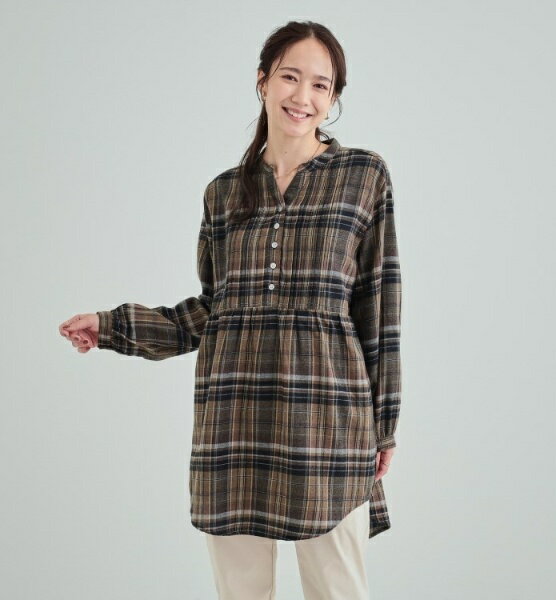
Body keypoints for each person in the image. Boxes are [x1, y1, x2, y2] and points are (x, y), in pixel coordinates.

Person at [59, 20, 401, 600]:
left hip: (329, 424)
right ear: (263, 81)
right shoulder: (222, 193)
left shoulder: (363, 176)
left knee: (338, 590)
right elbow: (213, 310)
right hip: (235, 423)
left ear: (333, 98)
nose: (303, 95)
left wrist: (385, 423)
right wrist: (111, 326)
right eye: (290, 77)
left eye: (321, 85)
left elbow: (379, 309)